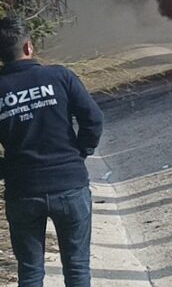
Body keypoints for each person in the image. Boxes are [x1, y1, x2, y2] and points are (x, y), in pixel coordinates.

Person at [0, 16, 103, 287]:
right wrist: (82, 150)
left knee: (31, 272)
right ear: (28, 48)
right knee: (78, 268)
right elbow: (93, 119)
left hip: (23, 192)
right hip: (69, 185)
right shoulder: (59, 76)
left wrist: (5, 169)